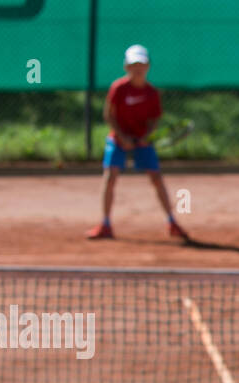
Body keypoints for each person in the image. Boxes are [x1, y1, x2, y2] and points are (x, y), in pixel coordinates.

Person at [86, 45, 187, 241]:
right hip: (118, 139)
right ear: (126, 67)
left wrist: (145, 137)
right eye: (134, 64)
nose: (137, 68)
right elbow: (109, 115)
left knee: (157, 179)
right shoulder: (118, 88)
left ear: (148, 66)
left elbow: (154, 121)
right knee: (110, 176)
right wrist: (122, 137)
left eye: (141, 64)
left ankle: (171, 222)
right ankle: (105, 224)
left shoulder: (152, 93)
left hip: (143, 141)